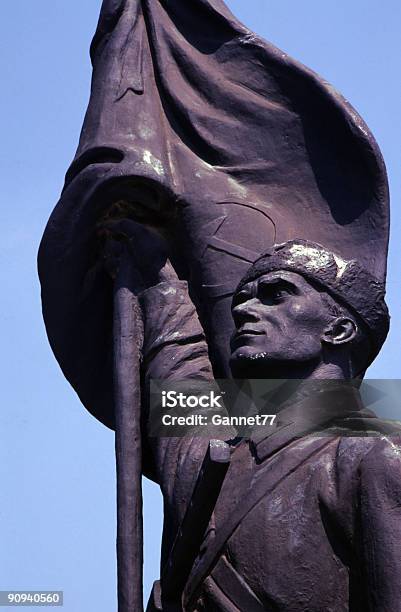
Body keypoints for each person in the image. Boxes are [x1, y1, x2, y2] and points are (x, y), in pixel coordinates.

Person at [103, 221, 401, 612]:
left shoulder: (376, 456)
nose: (244, 309)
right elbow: (180, 370)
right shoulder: (215, 461)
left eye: (275, 294)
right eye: (243, 299)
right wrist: (156, 276)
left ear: (339, 329)